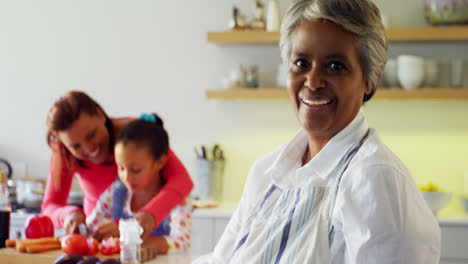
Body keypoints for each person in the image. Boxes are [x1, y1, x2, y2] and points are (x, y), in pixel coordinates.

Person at [194, 0, 440, 263]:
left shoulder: (373, 178)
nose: (312, 81)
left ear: (368, 80)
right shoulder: (266, 173)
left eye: (335, 66)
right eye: (301, 63)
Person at [41, 91, 193, 240]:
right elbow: (49, 207)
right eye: (76, 146)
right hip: (101, 239)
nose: (89, 149)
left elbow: (182, 180)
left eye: (91, 135)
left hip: (146, 234)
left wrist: (148, 216)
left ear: (100, 114)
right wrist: (70, 214)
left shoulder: (135, 136)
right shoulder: (64, 152)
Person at [86, 113, 192, 253]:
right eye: (121, 168)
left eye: (135, 170)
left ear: (159, 162)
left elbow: (181, 244)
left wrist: (127, 236)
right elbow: (89, 229)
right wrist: (97, 231)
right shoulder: (115, 192)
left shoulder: (177, 202)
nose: (126, 177)